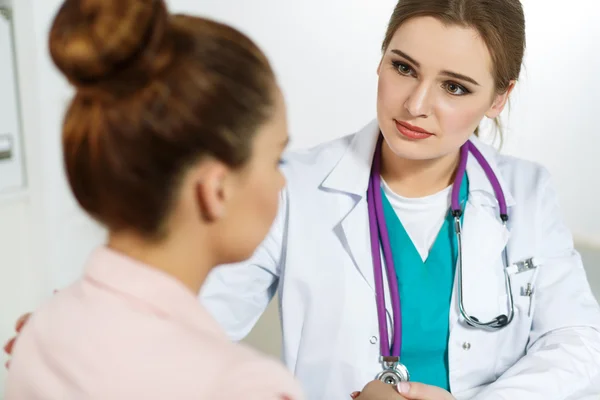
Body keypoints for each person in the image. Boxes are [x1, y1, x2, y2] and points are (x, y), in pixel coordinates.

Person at [6, 0, 600, 399]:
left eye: (455, 87)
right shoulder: (292, 185)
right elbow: (189, 313)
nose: (416, 104)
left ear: (500, 98)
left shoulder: (525, 192)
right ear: (382, 56)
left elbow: (578, 344)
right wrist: (93, 327)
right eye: (403, 67)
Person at [4, 0, 308, 398]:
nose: (283, 183)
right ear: (216, 190)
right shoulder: (243, 386)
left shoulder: (38, 333)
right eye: (276, 159)